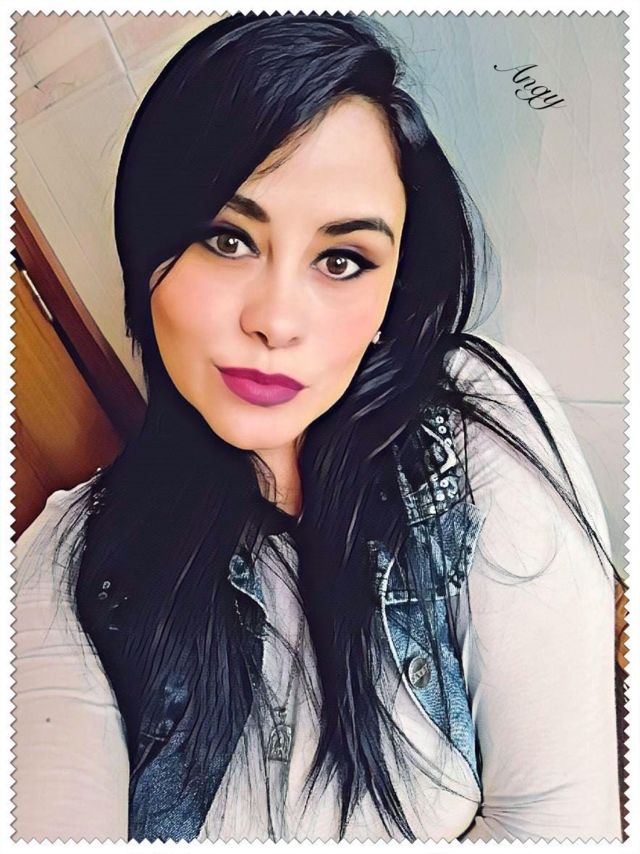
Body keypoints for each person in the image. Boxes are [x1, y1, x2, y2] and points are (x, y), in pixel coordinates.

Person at [13, 11, 624, 844]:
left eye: (342, 261)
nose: (276, 320)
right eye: (227, 239)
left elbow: (557, 829)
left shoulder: (468, 433)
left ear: (391, 296)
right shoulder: (68, 561)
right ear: (148, 252)